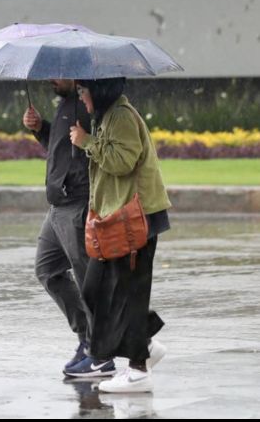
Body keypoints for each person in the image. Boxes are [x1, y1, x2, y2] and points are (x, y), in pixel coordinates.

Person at [69, 77, 170, 393]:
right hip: (118, 217)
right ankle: (146, 342)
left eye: (83, 92)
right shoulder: (107, 115)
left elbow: (122, 161)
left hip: (136, 218)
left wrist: (86, 141)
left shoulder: (122, 116)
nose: (82, 99)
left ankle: (138, 369)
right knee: (97, 290)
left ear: (97, 91)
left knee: (130, 292)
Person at [22, 80, 107, 376]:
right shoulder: (65, 103)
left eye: (58, 73)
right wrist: (39, 128)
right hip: (57, 205)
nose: (51, 79)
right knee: (47, 270)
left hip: (77, 203)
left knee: (87, 279)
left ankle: (101, 353)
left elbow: (97, 151)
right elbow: (58, 149)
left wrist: (85, 141)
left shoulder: (87, 104)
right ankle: (87, 338)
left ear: (74, 74)